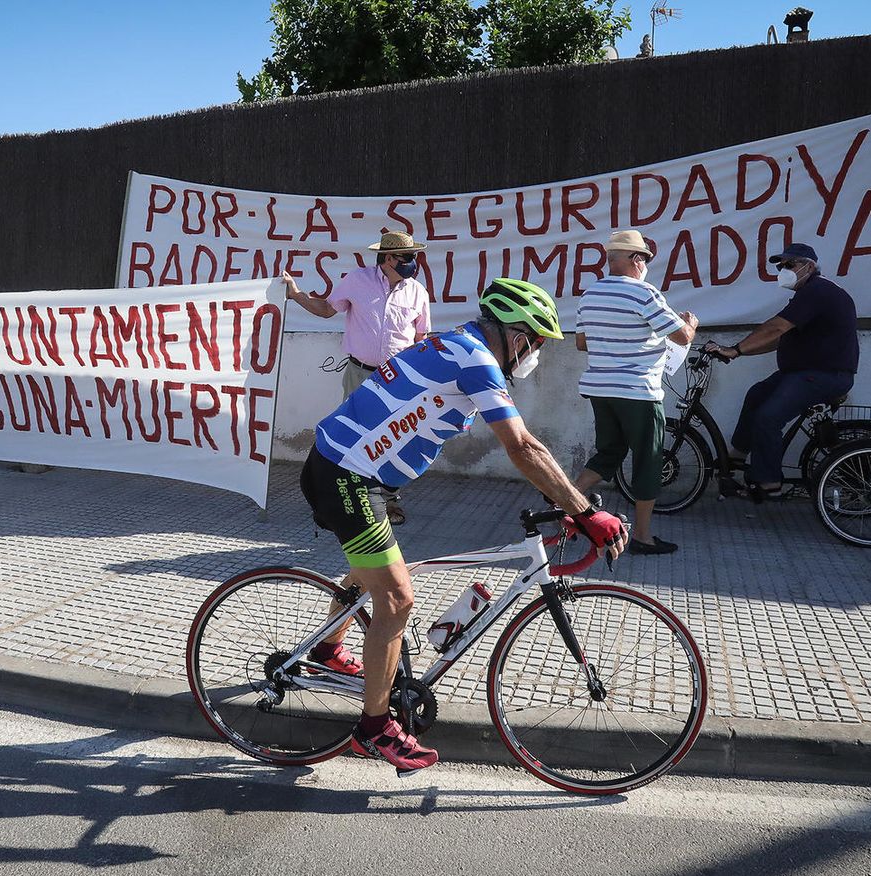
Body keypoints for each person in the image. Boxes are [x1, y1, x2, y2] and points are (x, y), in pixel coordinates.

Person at [300, 277, 628, 776]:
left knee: (375, 572)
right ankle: (373, 729)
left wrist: (564, 499)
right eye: (536, 341)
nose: (535, 353)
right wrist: (584, 510)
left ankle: (327, 648)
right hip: (345, 474)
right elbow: (522, 446)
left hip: (353, 468)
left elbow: (520, 450)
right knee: (397, 598)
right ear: (516, 335)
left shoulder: (458, 344)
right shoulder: (473, 358)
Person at [282, 230, 433, 524]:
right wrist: (295, 294)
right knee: (352, 437)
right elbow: (326, 309)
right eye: (407, 257)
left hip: (398, 379)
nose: (412, 262)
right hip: (359, 373)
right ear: (389, 258)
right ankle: (345, 497)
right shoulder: (357, 280)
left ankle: (388, 500)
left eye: (413, 257)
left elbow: (420, 337)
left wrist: (419, 379)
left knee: (395, 439)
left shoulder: (418, 292)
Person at [571, 230, 698, 555]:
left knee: (609, 452)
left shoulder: (589, 294)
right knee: (648, 460)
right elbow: (681, 337)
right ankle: (642, 536)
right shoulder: (644, 294)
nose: (645, 264)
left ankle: (566, 506)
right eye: (643, 257)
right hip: (639, 391)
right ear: (633, 259)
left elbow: (581, 342)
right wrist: (690, 326)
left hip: (600, 388)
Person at [703, 242, 859, 498]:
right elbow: (776, 339)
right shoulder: (808, 294)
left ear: (809, 266)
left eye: (790, 264)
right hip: (804, 373)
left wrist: (735, 350)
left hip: (824, 375)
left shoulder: (817, 291)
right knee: (757, 395)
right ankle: (738, 458)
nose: (783, 269)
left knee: (769, 416)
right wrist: (736, 352)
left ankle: (769, 483)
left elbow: (776, 328)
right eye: (781, 265)